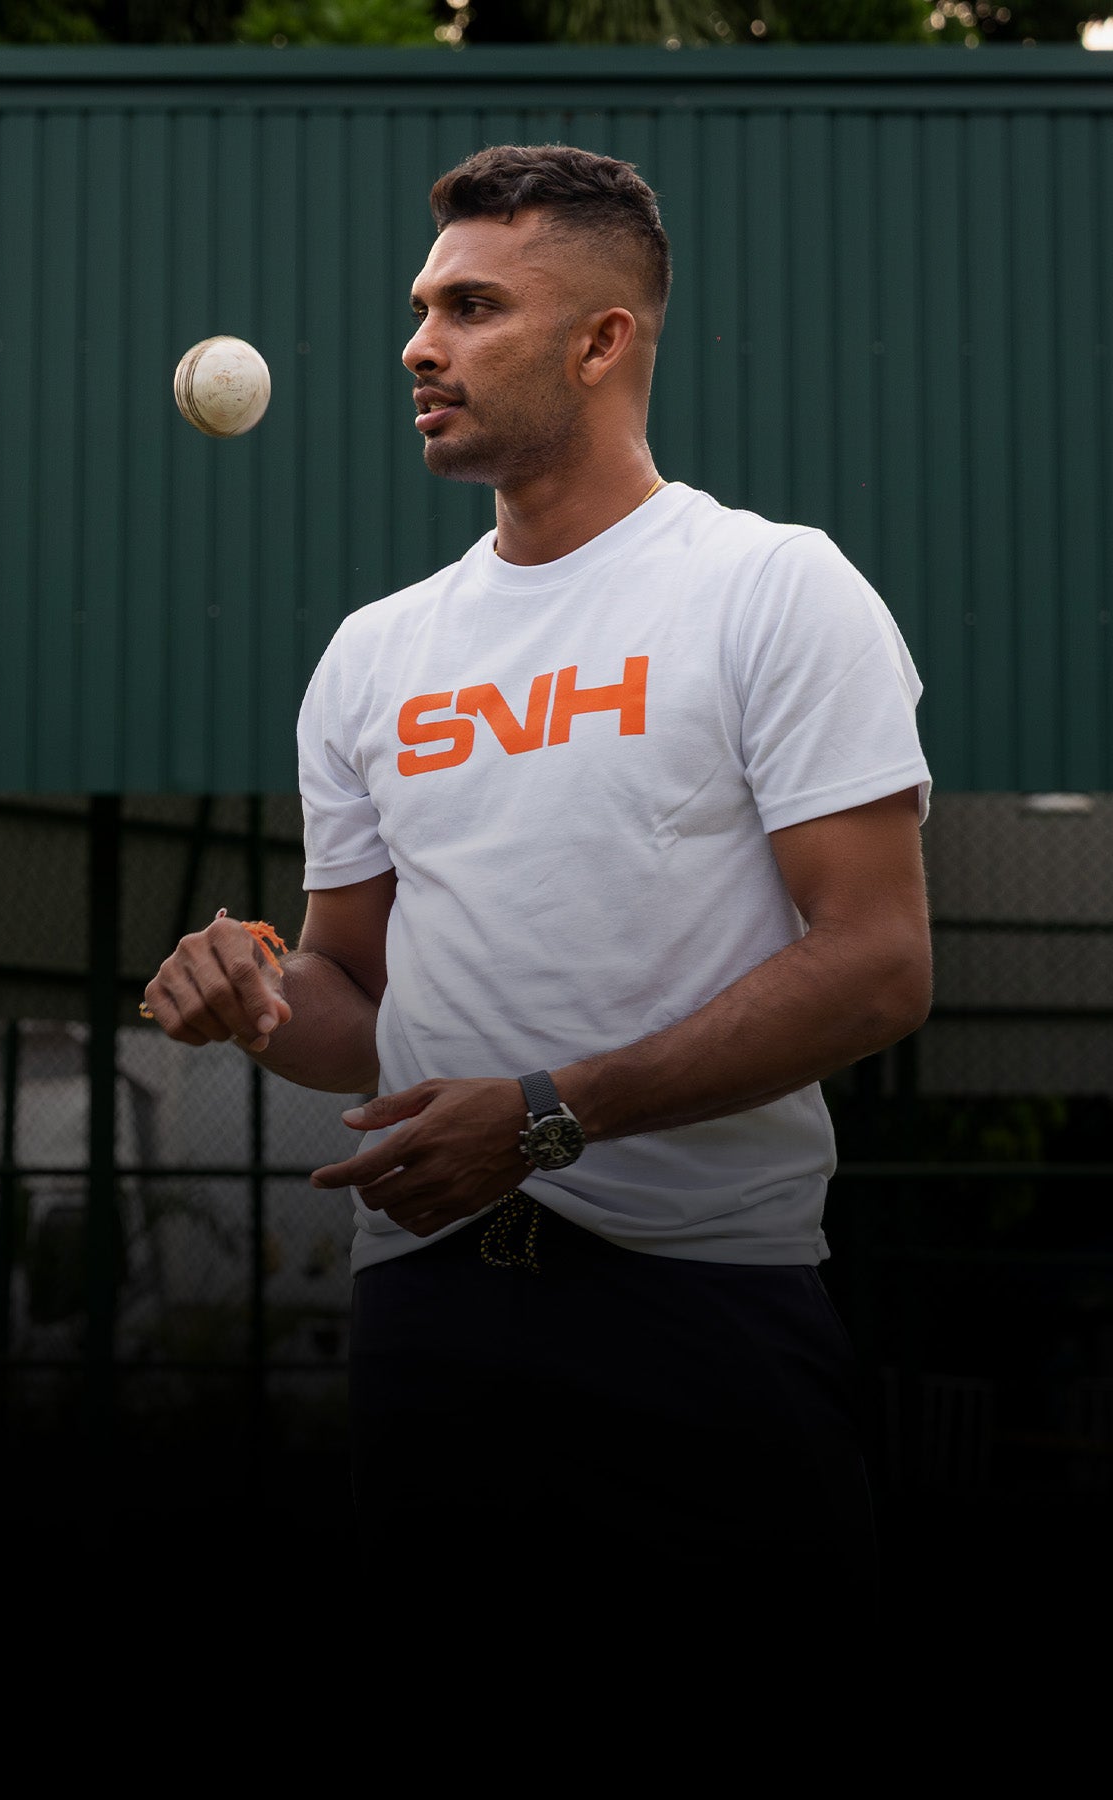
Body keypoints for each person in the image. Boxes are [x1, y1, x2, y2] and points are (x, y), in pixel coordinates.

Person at [144, 144, 932, 1630]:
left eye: (473, 308)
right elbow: (354, 999)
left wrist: (551, 1115)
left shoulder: (773, 588)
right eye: (424, 308)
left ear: (600, 340)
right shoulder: (374, 653)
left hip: (703, 1306)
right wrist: (255, 998)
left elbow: (879, 964)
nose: (419, 345)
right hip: (428, 1310)